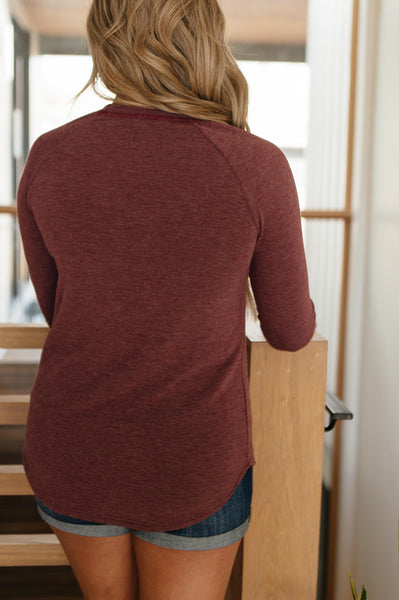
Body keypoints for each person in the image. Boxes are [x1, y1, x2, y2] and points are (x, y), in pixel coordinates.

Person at [16, 1, 316, 598]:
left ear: (107, 43)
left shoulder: (50, 155)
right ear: (207, 40)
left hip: (74, 447)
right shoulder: (256, 165)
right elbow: (290, 330)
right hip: (193, 458)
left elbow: (61, 309)